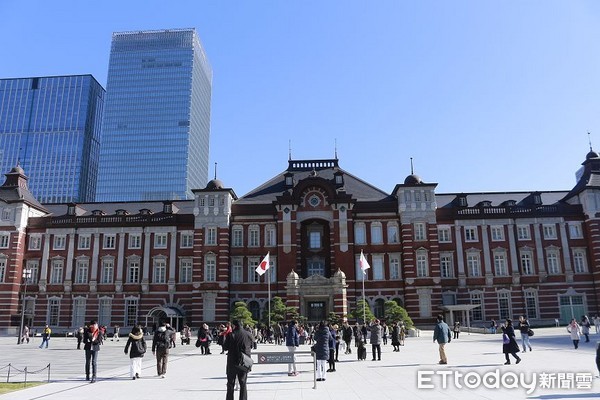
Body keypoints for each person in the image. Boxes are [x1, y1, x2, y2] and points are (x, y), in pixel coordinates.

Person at [224, 320, 253, 400]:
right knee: (243, 383)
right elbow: (253, 345)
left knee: (230, 383)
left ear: (234, 326)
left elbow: (225, 347)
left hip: (232, 361)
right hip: (244, 361)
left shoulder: (231, 334)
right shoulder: (248, 334)